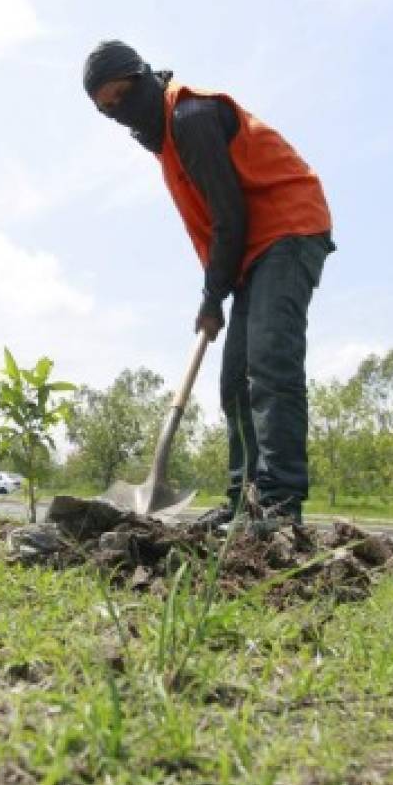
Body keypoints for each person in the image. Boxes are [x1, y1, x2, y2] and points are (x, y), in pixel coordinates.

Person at [83, 40, 335, 525]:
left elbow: (229, 215)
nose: (118, 112)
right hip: (250, 251)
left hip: (287, 229)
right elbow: (224, 223)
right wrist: (218, 291)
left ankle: (280, 503)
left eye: (121, 96)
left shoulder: (190, 118)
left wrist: (211, 296)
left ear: (144, 77)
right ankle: (245, 500)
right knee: (233, 380)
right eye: (106, 109)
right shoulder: (166, 141)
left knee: (269, 364)